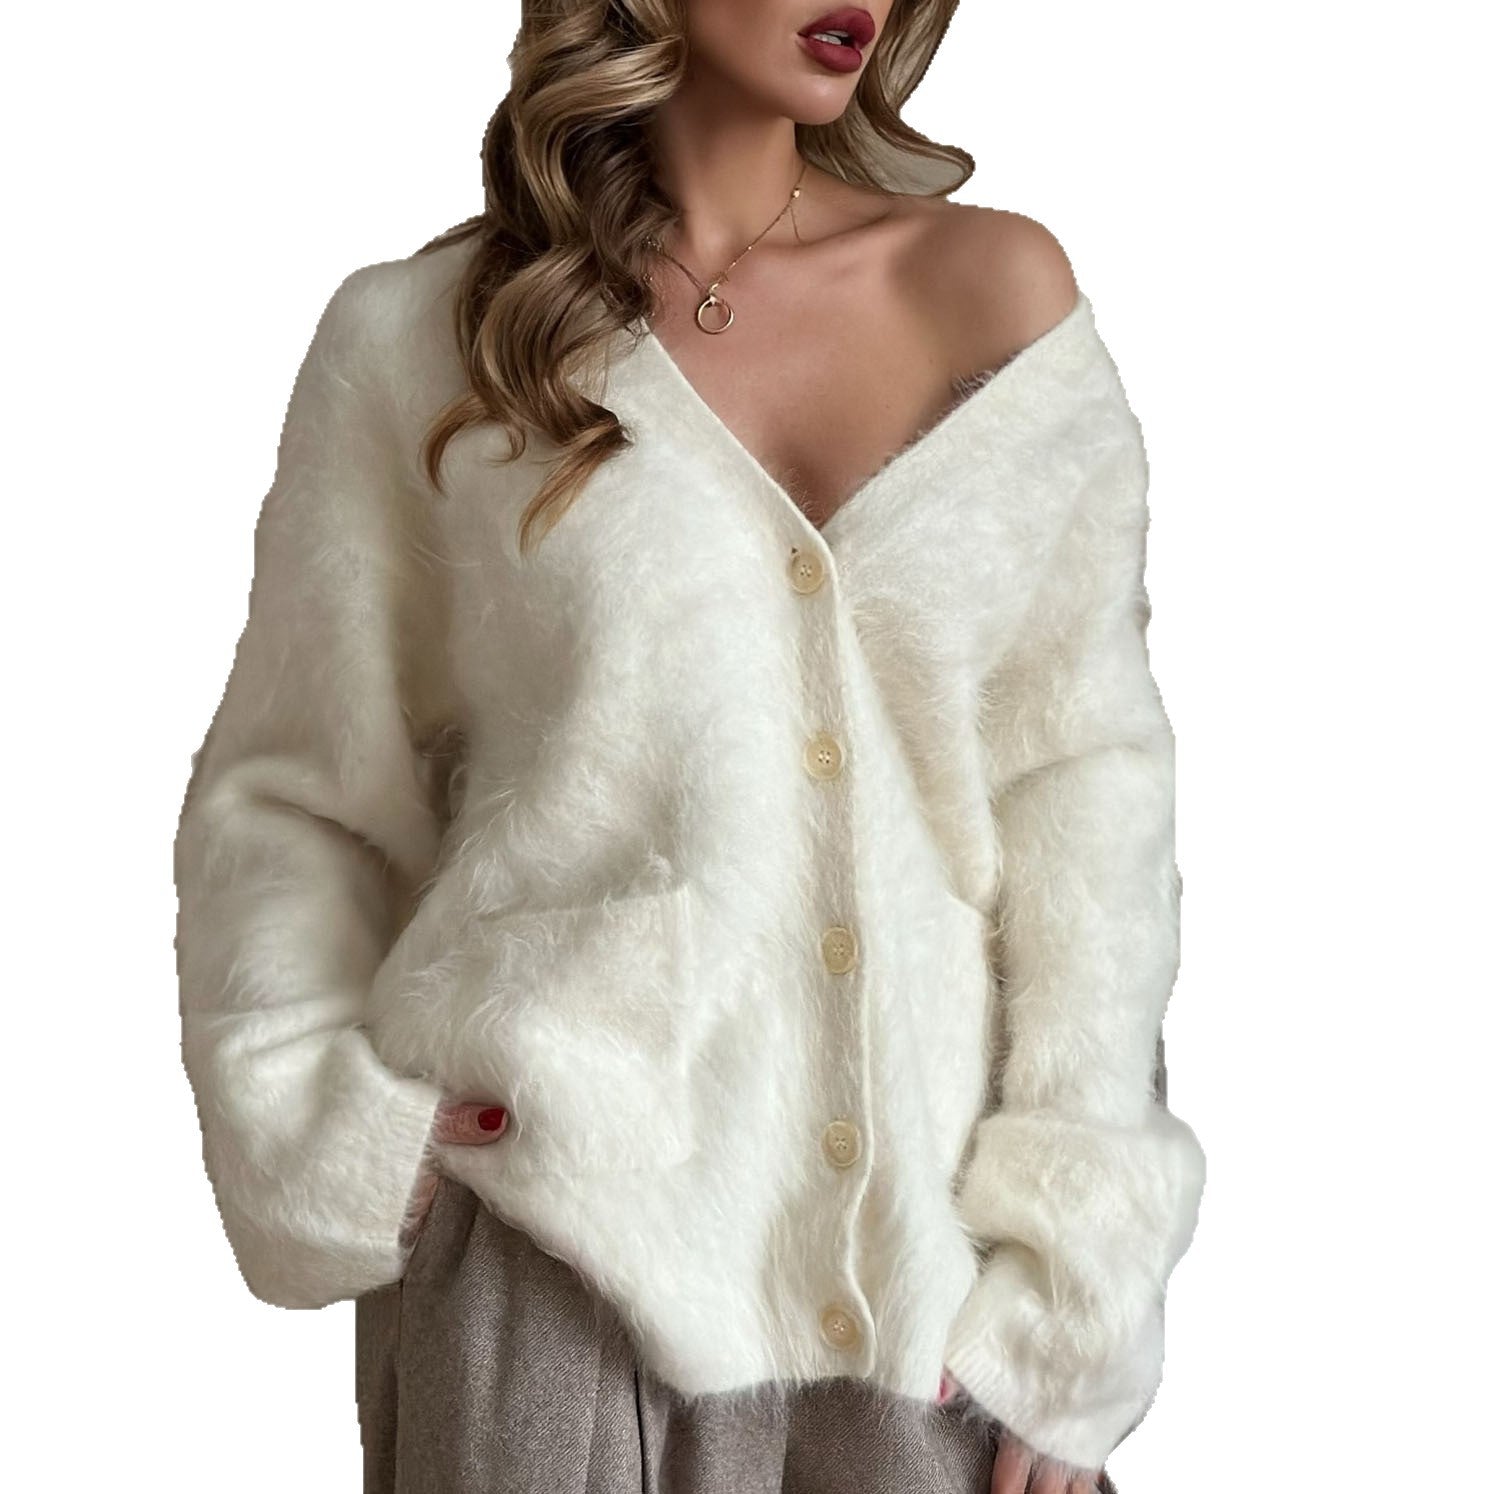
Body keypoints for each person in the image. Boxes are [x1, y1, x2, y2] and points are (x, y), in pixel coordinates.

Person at [172, 3, 1206, 1493]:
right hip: (559, 1262)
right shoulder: (422, 340)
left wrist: (1079, 1278)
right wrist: (323, 1127)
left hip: (936, 1296)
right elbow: (297, 795)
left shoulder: (993, 293)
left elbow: (1084, 794)